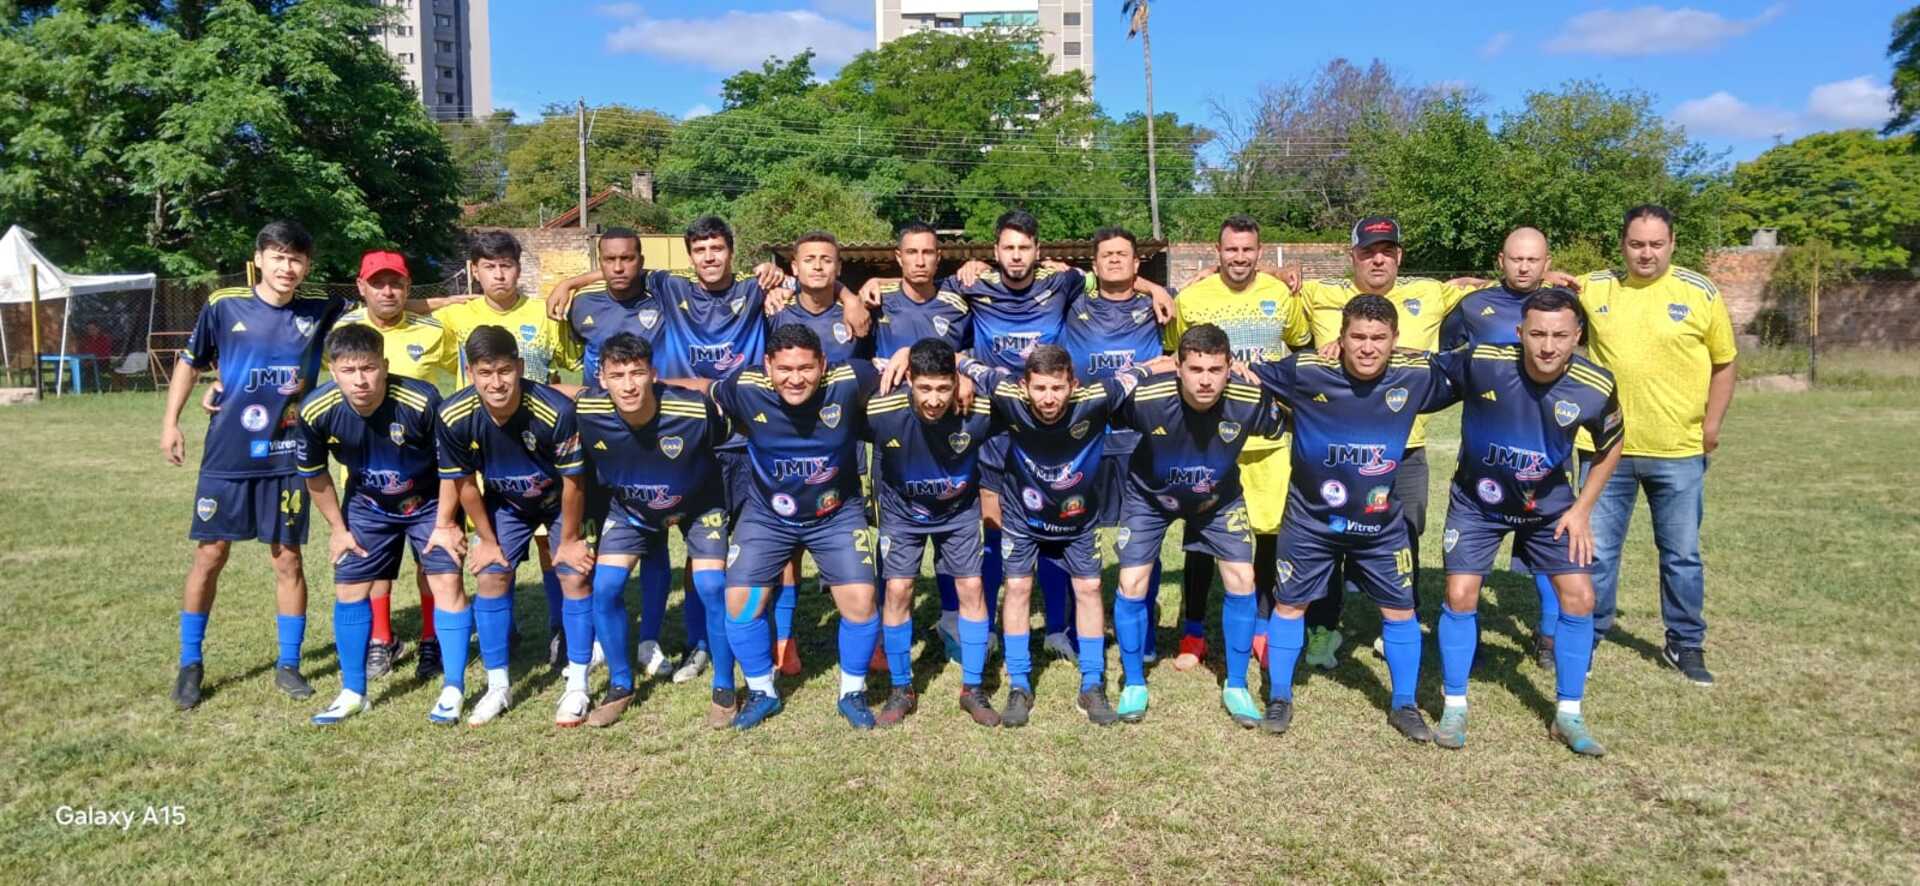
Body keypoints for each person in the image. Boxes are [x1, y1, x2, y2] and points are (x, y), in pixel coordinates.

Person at [1243, 295, 1464, 741]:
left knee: (1401, 612)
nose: (1367, 347)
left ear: (1395, 341)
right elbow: (1246, 372)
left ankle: (1404, 704)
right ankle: (1280, 696)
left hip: (1380, 527)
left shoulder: (1414, 377)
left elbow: (1472, 370)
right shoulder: (1307, 372)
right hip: (1310, 523)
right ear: (1339, 339)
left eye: (1379, 339)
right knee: (1290, 606)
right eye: (1357, 337)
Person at [1429, 289, 1624, 755]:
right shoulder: (1482, 359)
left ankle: (1569, 715)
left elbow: (1611, 443)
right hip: (1478, 501)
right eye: (1537, 333)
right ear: (1520, 333)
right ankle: (1454, 707)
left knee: (1580, 597)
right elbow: (1422, 369)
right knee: (1460, 593)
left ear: (1578, 336)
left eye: (1560, 335)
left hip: (1550, 508)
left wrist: (1582, 509)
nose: (1548, 346)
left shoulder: (1595, 384)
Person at [161, 220, 346, 711]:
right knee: (210, 554)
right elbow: (190, 360)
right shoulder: (225, 304)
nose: (288, 267)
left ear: (307, 266)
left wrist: (452, 302)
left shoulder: (320, 308)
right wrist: (171, 421)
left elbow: (384, 306)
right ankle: (189, 663)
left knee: (287, 558)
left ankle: (289, 664)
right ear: (259, 258)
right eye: (279, 256)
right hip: (228, 455)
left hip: (288, 455)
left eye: (297, 259)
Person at [1286, 216, 1478, 669]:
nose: (1378, 258)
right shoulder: (1318, 294)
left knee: (1405, 539)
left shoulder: (1430, 293)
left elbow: (1501, 285)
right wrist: (1282, 271)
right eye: (1369, 251)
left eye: (1387, 251)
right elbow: (1265, 283)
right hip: (1336, 454)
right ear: (1351, 255)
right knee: (1327, 543)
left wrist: (1550, 276)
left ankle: (1391, 631)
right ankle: (1322, 630)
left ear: (1399, 257)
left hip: (1405, 449)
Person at [1572, 205, 1736, 686]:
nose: (1646, 253)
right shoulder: (1596, 287)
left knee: (1681, 553)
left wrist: (1711, 425)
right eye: (1637, 244)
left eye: (1656, 244)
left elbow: (1725, 363)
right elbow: (1542, 294)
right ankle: (1588, 636)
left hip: (1678, 450)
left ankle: (1684, 643)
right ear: (1622, 245)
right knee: (1595, 552)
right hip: (1606, 450)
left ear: (1672, 244)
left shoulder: (1700, 292)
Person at [704, 323, 883, 731]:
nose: (796, 378)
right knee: (740, 603)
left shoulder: (851, 378)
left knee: (859, 600)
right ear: (768, 365)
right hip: (767, 515)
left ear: (823, 364)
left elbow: (896, 372)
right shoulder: (744, 386)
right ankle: (762, 691)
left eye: (806, 367)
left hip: (836, 513)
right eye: (785, 368)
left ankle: (852, 691)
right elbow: (708, 393)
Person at [960, 344, 1150, 727]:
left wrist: (1166, 362)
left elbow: (1140, 372)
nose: (1049, 398)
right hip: (1021, 515)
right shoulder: (1005, 391)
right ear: (1024, 385)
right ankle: (1019, 684)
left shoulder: (1098, 398)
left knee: (1090, 589)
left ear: (1073, 385)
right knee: (1017, 589)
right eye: (1040, 388)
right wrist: (962, 372)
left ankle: (1092, 684)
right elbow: (963, 360)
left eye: (1058, 388)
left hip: (1078, 517)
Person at [1108, 324, 1283, 725]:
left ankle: (1236, 685)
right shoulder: (1147, 397)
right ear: (1178, 367)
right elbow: (1096, 401)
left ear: (1230, 368)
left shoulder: (1250, 398)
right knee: (1131, 583)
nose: (1205, 380)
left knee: (1241, 578)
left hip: (1217, 499)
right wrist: (1134, 372)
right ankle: (1134, 683)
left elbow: (1290, 419)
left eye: (1216, 370)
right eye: (1196, 369)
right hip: (1149, 497)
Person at [1164, 215, 1311, 672]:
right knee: (1201, 534)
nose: (1240, 258)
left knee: (1267, 536)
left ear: (1260, 252)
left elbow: (1302, 351)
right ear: (1218, 251)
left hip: (1267, 436)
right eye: (1231, 250)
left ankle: (1263, 629)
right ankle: (1192, 632)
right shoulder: (1192, 297)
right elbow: (1175, 354)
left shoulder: (1281, 296)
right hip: (1209, 437)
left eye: (1248, 250)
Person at [295, 324, 460, 724]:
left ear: (384, 366)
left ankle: (453, 688)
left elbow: (453, 468)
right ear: (333, 372)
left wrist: (444, 524)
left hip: (427, 502)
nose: (360, 379)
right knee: (349, 586)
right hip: (368, 505)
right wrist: (338, 529)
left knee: (447, 580)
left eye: (368, 368)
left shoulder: (421, 401)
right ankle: (353, 691)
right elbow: (315, 474)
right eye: (349, 370)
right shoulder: (316, 410)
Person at [436, 231, 583, 671]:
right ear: (475, 271)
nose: (499, 274)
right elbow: (400, 315)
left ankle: (561, 628)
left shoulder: (545, 312)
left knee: (548, 547)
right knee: (492, 550)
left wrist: (570, 285)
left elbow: (573, 362)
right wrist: (433, 303)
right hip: (483, 450)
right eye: (490, 266)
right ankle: (506, 628)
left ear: (519, 268)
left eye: (507, 265)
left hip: (539, 444)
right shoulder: (457, 317)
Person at [433, 325, 593, 726]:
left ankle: (578, 685)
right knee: (490, 574)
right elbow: (465, 484)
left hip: (559, 501)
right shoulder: (453, 415)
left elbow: (575, 482)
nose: (497, 382)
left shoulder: (555, 409)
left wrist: (570, 539)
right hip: (507, 504)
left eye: (505, 371)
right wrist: (486, 540)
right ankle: (498, 686)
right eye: (485, 373)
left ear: (520, 367)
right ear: (471, 374)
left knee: (574, 574)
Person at [574, 333, 734, 728]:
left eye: (637, 373)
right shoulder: (587, 410)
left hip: (699, 506)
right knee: (606, 587)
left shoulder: (694, 411)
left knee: (713, 586)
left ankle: (725, 687)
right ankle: (621, 684)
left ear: (654, 375)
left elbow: (733, 439)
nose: (628, 385)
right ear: (601, 378)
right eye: (617, 375)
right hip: (631, 511)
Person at [1439, 227, 1572, 668]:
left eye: (1533, 260)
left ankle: (1549, 637)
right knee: (1472, 558)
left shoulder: (1568, 306)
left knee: (1547, 552)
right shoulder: (1473, 306)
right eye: (1516, 258)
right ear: (1501, 259)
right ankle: (1466, 639)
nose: (1524, 267)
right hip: (1487, 452)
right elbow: (1449, 360)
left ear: (1546, 261)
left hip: (1544, 451)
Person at [556, 229, 680, 681]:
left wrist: (570, 280)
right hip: (597, 431)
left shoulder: (662, 296)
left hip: (650, 432)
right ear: (600, 261)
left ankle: (650, 638)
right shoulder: (582, 307)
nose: (620, 267)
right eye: (610, 260)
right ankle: (588, 637)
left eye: (629, 258)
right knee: (590, 535)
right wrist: (570, 285)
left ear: (640, 260)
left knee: (654, 536)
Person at [334, 249, 460, 680]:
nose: (387, 291)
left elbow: (462, 371)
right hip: (364, 468)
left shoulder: (430, 330)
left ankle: (430, 640)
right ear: (361, 286)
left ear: (408, 288)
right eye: (378, 283)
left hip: (423, 468)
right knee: (373, 561)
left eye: (396, 283)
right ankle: (381, 640)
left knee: (430, 557)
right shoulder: (342, 329)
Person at [866, 338, 999, 726]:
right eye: (925, 388)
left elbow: (1016, 385)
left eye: (944, 388)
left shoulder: (978, 408)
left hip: (957, 511)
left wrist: (968, 371)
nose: (935, 399)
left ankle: (972, 688)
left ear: (955, 383)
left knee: (971, 588)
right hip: (901, 512)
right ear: (909, 379)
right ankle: (900, 687)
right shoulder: (880, 408)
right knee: (898, 590)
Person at [1059, 226, 1170, 663]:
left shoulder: (1156, 306)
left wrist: (1156, 287)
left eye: (1123, 254)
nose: (1115, 261)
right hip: (1083, 438)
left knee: (1139, 542)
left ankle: (1141, 637)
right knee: (1072, 536)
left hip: (1140, 440)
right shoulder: (1072, 303)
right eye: (1107, 255)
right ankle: (1072, 627)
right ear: (1094, 264)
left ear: (1137, 263)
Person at [869, 222, 976, 660]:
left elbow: (972, 350)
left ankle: (951, 621)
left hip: (947, 432)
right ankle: (881, 634)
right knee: (893, 541)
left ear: (938, 258)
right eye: (911, 252)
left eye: (928, 252)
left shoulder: (957, 304)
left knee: (952, 534)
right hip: (893, 436)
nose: (919, 260)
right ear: (897, 258)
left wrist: (963, 371)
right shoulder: (876, 300)